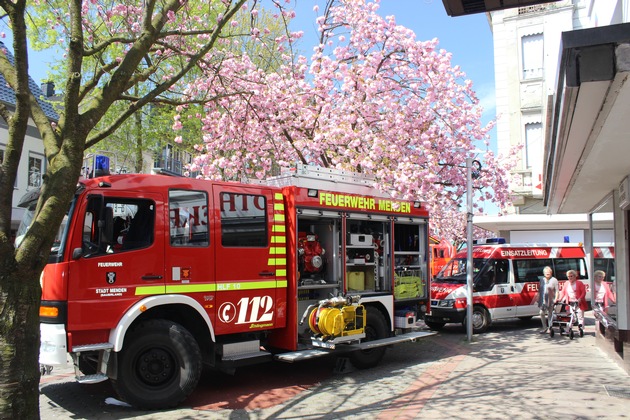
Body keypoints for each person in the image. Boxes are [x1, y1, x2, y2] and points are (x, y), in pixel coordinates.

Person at [537, 266, 558, 333]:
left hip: (551, 299)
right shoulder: (542, 280)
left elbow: (557, 291)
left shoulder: (554, 280)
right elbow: (540, 290)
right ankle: (544, 327)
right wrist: (538, 298)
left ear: (551, 273)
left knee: (550, 314)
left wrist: (556, 299)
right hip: (543, 300)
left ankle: (550, 328)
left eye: (549, 272)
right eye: (546, 272)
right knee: (541, 313)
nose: (547, 273)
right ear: (544, 273)